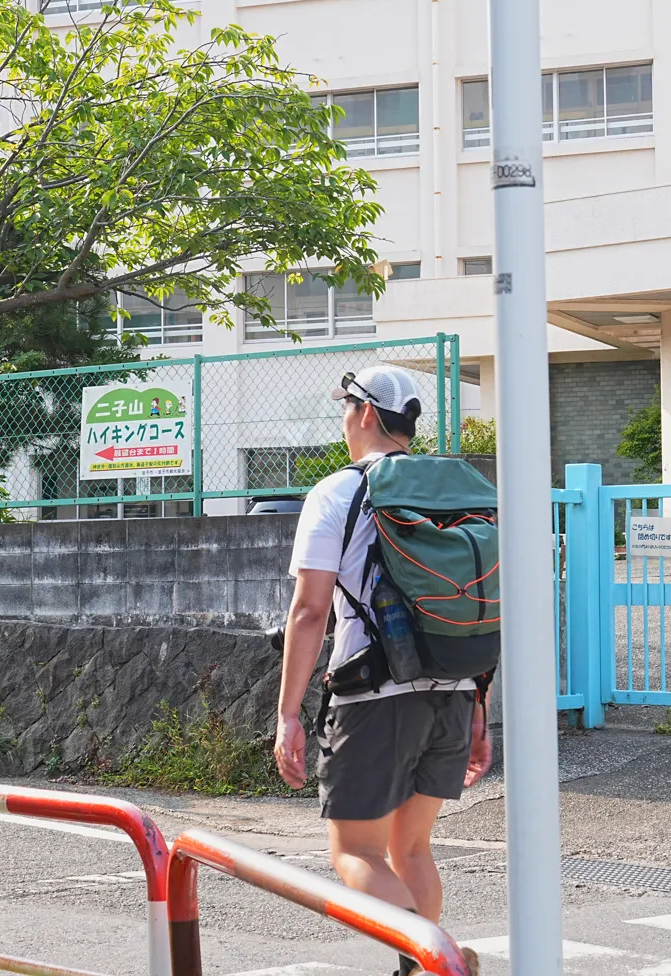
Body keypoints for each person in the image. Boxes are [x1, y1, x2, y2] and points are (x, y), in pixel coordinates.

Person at [274, 366, 491, 975]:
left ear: (366, 413)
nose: (343, 418)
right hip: (453, 690)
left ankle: (438, 960)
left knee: (356, 852)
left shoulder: (340, 492)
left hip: (374, 696)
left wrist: (288, 714)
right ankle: (428, 963)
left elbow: (311, 609)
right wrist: (479, 709)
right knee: (412, 848)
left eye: (345, 406)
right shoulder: (457, 491)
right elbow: (478, 609)